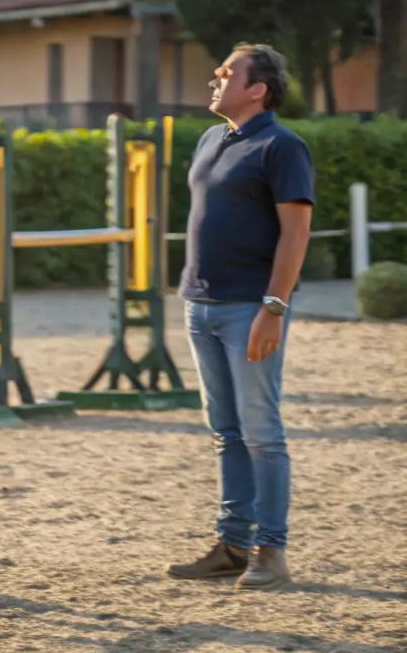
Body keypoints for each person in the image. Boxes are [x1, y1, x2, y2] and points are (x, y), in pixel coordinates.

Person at [166, 42, 314, 591]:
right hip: (199, 305)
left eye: (228, 72)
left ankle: (269, 552)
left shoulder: (282, 146)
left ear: (258, 88)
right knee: (227, 433)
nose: (216, 77)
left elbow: (296, 234)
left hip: (251, 308)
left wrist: (273, 308)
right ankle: (232, 545)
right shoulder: (211, 139)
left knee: (262, 434)